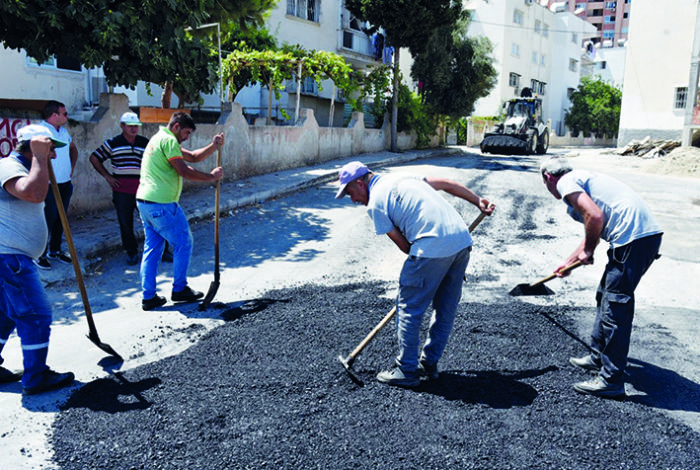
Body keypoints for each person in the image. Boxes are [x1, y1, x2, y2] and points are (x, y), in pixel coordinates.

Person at [335, 161, 494, 387]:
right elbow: (447, 184)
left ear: (360, 184)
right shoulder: (404, 177)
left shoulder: (376, 205)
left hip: (432, 245)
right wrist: (477, 200)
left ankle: (406, 370)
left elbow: (405, 246)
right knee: (445, 307)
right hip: (461, 241)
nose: (353, 200)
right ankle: (429, 363)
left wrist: (431, 267)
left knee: (409, 307)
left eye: (351, 193)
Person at [540, 156, 663, 399]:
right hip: (638, 239)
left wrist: (588, 252)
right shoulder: (582, 177)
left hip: (634, 240)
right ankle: (598, 356)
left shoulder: (565, 182)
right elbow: (592, 227)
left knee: (615, 308)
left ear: (547, 177)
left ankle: (611, 380)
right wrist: (569, 262)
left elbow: (594, 217)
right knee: (604, 296)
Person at [0, 124, 75, 395]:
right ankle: (35, 376)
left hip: (11, 257)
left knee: (6, 315)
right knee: (36, 315)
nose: (54, 156)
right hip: (10, 258)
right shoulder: (10, 167)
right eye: (51, 149)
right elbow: (33, 194)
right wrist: (40, 159)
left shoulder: (31, 167)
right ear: (34, 147)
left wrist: (41, 162)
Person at [137, 112, 223, 311]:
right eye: (186, 132)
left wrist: (214, 145)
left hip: (145, 202)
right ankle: (180, 289)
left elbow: (193, 157)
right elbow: (183, 170)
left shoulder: (159, 139)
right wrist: (211, 177)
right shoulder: (168, 141)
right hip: (161, 204)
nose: (187, 137)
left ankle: (148, 297)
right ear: (176, 126)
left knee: (152, 249)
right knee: (184, 242)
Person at [89, 112, 150, 266]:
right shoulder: (113, 143)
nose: (134, 129)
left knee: (152, 222)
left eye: (136, 126)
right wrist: (107, 176)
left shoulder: (145, 142)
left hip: (144, 190)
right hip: (122, 191)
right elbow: (94, 158)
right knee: (125, 224)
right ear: (122, 126)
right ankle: (131, 252)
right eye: (130, 126)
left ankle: (161, 251)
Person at [34, 100, 79, 270]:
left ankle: (55, 250)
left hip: (64, 183)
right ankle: (40, 254)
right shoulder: (41, 131)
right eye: (64, 113)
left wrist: (71, 167)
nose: (67, 116)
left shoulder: (64, 132)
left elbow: (73, 148)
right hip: (47, 184)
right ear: (54, 115)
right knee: (47, 218)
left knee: (61, 218)